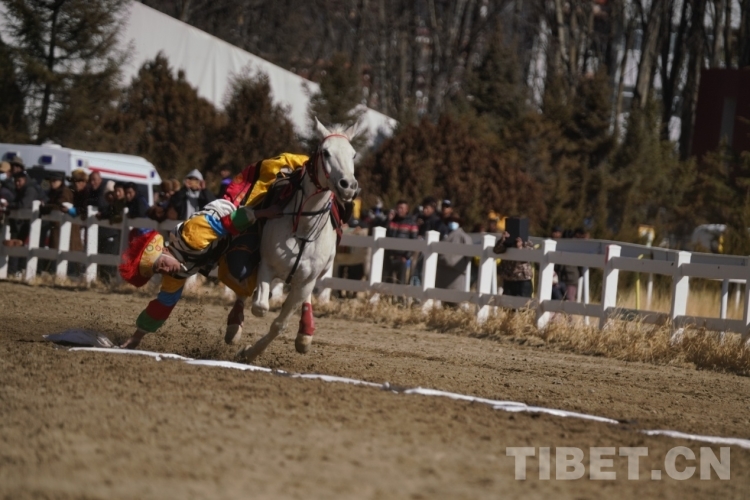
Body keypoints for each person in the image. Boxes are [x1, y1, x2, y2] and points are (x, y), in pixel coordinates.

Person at [119, 199, 283, 349]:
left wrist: (264, 212)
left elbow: (229, 223)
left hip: (236, 216)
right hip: (224, 244)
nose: (166, 271)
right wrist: (136, 337)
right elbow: (163, 304)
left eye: (162, 265)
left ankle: (259, 287)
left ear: (165, 250)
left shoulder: (193, 236)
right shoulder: (175, 274)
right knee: (233, 272)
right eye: (159, 271)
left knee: (239, 267)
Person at [435, 215, 474, 305]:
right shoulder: (445, 235)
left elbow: (469, 255)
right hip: (443, 272)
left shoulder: (464, 237)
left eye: (455, 221)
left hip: (457, 272)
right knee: (442, 297)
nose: (452, 223)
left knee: (454, 298)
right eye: (451, 221)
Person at [384, 199, 418, 285]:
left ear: (407, 209)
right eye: (398, 208)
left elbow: (414, 242)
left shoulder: (411, 223)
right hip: (390, 257)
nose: (399, 210)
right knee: (387, 282)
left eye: (402, 208)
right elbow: (384, 232)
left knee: (401, 283)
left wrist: (406, 256)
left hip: (402, 258)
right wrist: (388, 220)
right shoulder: (392, 221)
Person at [493, 230, 534, 298]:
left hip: (523, 279)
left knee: (523, 303)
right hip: (508, 278)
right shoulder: (507, 242)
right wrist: (502, 240)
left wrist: (520, 248)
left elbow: (528, 257)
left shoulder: (527, 242)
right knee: (507, 303)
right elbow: (496, 250)